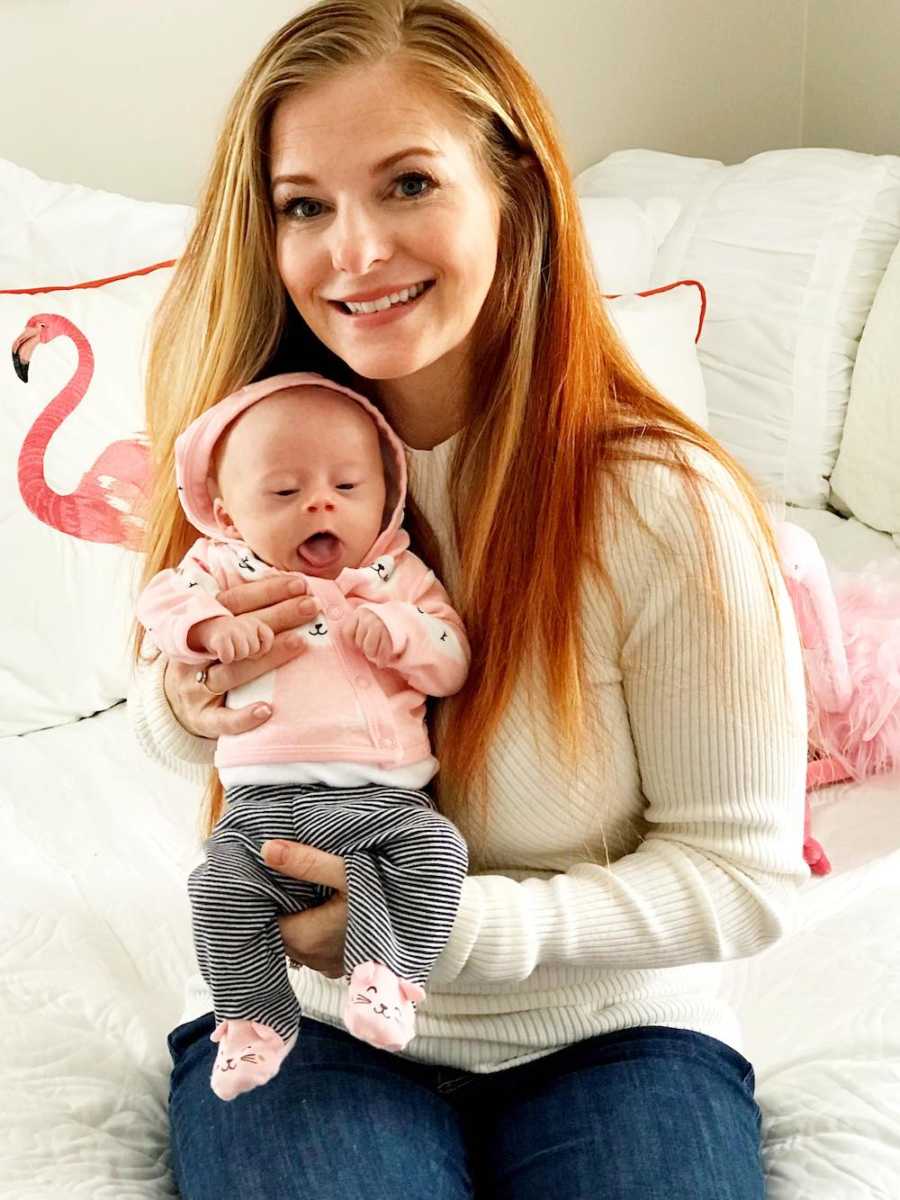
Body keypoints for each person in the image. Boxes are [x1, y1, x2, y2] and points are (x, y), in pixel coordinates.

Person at [129, 0, 810, 1194]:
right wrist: (191, 702)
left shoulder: (663, 506)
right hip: (310, 1024)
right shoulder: (259, 462)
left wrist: (430, 935)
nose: (353, 252)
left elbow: (741, 878)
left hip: (615, 1035)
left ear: (516, 193)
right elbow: (162, 717)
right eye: (304, 205)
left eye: (406, 185)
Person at [135, 374, 470, 1099]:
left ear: (387, 494)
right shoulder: (225, 565)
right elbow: (160, 601)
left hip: (385, 803)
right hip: (260, 806)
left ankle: (387, 976)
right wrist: (210, 627)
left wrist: (401, 632)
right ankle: (255, 1022)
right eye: (284, 493)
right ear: (227, 513)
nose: (321, 503)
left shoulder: (397, 574)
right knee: (219, 888)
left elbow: (452, 657)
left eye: (349, 485)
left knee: (440, 853)